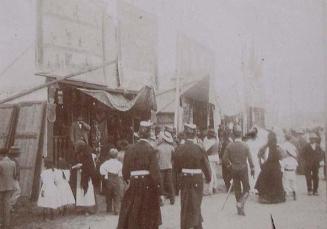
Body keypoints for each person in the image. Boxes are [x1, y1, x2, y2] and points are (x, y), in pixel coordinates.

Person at [117, 121, 163, 229]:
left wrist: (129, 180)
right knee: (147, 214)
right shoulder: (151, 150)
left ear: (138, 134)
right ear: (149, 134)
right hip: (148, 185)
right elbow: (155, 174)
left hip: (134, 184)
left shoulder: (129, 149)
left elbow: (125, 172)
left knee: (132, 212)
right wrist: (160, 191)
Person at [174, 123, 211, 229]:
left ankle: (185, 226)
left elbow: (176, 167)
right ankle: (197, 226)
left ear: (185, 134)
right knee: (196, 203)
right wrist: (209, 178)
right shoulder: (199, 148)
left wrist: (177, 182)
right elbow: (206, 165)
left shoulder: (179, 148)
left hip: (185, 178)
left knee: (185, 204)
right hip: (197, 179)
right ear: (194, 134)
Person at [223, 126, 254, 216]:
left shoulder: (230, 146)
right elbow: (250, 159)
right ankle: (241, 204)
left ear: (233, 134)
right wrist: (252, 168)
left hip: (234, 169)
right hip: (243, 169)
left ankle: (239, 207)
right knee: (247, 189)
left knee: (237, 189)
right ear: (241, 134)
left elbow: (224, 159)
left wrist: (230, 167)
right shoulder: (245, 145)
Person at [255, 131, 285, 203]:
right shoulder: (278, 147)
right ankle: (275, 198)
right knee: (276, 181)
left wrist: (261, 164)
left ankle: (265, 197)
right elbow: (282, 157)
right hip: (275, 167)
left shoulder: (265, 147)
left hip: (267, 167)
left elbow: (259, 155)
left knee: (264, 181)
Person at [72, 141, 97, 214]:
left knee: (87, 192)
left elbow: (90, 166)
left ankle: (88, 209)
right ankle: (81, 208)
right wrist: (75, 166)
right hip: (79, 175)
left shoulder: (87, 154)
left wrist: (82, 166)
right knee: (80, 192)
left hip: (86, 176)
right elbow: (74, 163)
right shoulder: (77, 154)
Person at [100, 148, 123, 214]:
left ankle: (109, 208)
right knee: (117, 194)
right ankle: (117, 209)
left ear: (109, 155)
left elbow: (101, 170)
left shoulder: (106, 163)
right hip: (116, 178)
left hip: (108, 178)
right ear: (116, 155)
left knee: (108, 194)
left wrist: (105, 174)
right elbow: (121, 172)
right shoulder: (119, 163)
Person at [157, 130, 175, 205]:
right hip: (169, 167)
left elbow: (157, 158)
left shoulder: (158, 148)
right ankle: (172, 199)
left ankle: (162, 200)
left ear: (163, 139)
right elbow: (173, 158)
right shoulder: (171, 148)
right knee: (170, 183)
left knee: (161, 184)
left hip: (161, 168)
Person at [0, 148, 17, 229]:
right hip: (10, 187)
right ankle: (7, 224)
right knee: (7, 205)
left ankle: (2, 223)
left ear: (1, 155)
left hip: (1, 187)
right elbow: (15, 175)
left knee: (1, 205)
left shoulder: (0, 163)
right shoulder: (13, 163)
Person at [280, 133, 298, 200]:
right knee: (293, 183)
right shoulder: (292, 146)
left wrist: (282, 171)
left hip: (286, 170)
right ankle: (294, 194)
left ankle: (285, 194)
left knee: (285, 183)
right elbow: (296, 165)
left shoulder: (283, 145)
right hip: (292, 171)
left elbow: (281, 155)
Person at [203, 128, 219, 195]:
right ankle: (215, 187)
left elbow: (205, 150)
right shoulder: (216, 140)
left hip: (210, 158)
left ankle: (210, 190)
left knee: (211, 173)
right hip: (215, 157)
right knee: (214, 173)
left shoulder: (207, 141)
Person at [7, 146, 21, 212]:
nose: (18, 154)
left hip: (13, 178)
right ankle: (9, 205)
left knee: (14, 191)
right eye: (17, 153)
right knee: (17, 191)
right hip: (12, 178)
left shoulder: (13, 160)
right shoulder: (12, 160)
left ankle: (9, 205)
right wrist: (16, 176)